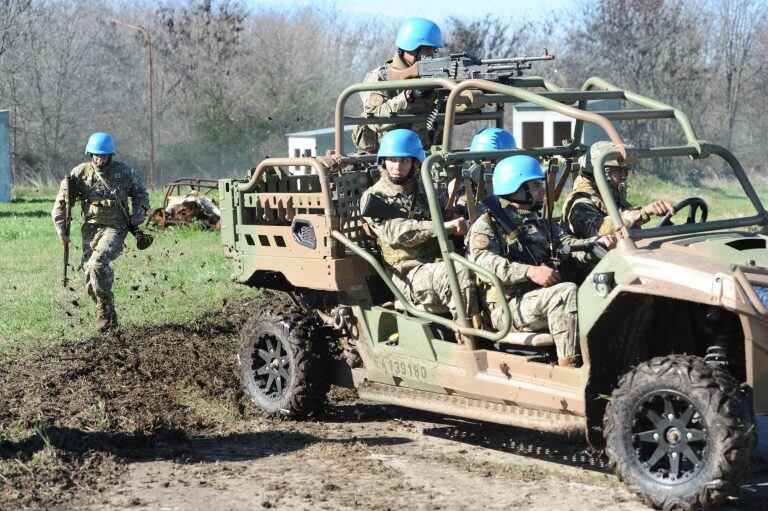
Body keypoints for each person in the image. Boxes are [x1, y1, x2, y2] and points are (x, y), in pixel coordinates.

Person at [466, 155, 616, 367]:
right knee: (564, 294)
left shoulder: (538, 220)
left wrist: (599, 243)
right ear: (516, 189)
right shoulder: (488, 225)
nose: (543, 190)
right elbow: (485, 264)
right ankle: (569, 368)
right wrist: (529, 272)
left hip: (536, 296)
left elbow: (569, 244)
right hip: (506, 307)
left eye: (541, 184)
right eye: (536, 185)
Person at [360, 129, 477, 319]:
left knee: (483, 266)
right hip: (407, 274)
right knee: (457, 274)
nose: (397, 166)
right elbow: (397, 233)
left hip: (439, 261)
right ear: (383, 161)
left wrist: (464, 216)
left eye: (404, 160)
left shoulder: (424, 189)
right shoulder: (374, 198)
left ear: (415, 163)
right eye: (392, 160)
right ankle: (470, 337)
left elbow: (448, 213)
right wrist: (443, 227)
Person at [52, 132, 150, 332]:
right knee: (89, 272)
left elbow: (141, 193)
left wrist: (139, 213)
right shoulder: (81, 173)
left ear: (111, 155)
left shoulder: (124, 172)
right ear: (89, 153)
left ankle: (103, 312)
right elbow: (62, 204)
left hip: (116, 227)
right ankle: (108, 312)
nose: (100, 158)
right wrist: (61, 229)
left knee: (97, 263)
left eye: (104, 155)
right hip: (91, 228)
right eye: (96, 154)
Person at [351, 17, 445, 153]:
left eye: (433, 50)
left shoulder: (434, 77)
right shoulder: (380, 77)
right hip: (388, 156)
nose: (431, 56)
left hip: (423, 153)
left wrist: (468, 100)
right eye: (426, 50)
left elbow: (450, 114)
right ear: (409, 49)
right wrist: (406, 98)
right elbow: (375, 120)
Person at [561, 141, 675, 238]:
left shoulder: (611, 193)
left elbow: (625, 214)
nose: (624, 176)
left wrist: (653, 210)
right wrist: (643, 212)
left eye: (626, 171)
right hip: (591, 262)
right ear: (601, 171)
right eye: (618, 170)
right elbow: (601, 229)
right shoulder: (580, 201)